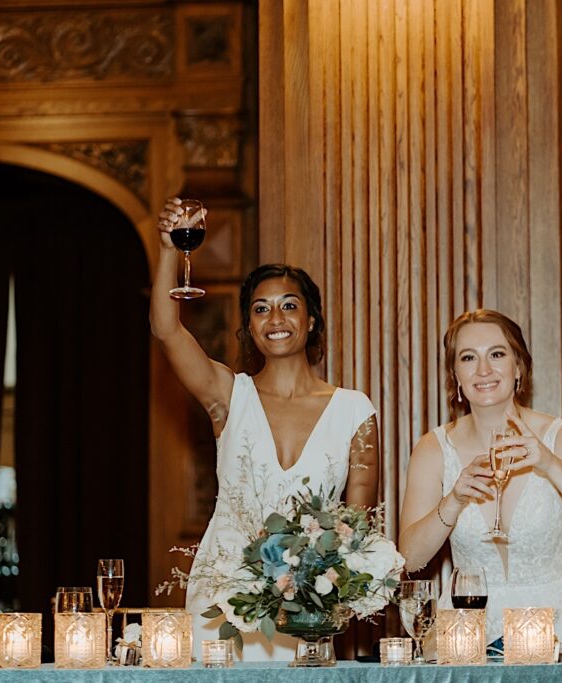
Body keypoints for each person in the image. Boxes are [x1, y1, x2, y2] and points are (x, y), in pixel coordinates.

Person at [150, 199, 380, 660]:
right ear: (249, 327)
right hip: (221, 600)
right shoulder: (227, 396)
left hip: (307, 608)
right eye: (261, 309)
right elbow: (166, 330)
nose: (275, 319)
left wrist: (326, 596)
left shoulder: (355, 410)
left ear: (311, 320)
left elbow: (356, 529)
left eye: (288, 306)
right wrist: (169, 250)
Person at [398, 309, 562, 659]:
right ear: (455, 374)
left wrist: (550, 464)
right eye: (468, 358)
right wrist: (453, 500)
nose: (484, 370)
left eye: (497, 354)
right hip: (467, 631)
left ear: (519, 366)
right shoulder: (433, 449)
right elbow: (409, 558)